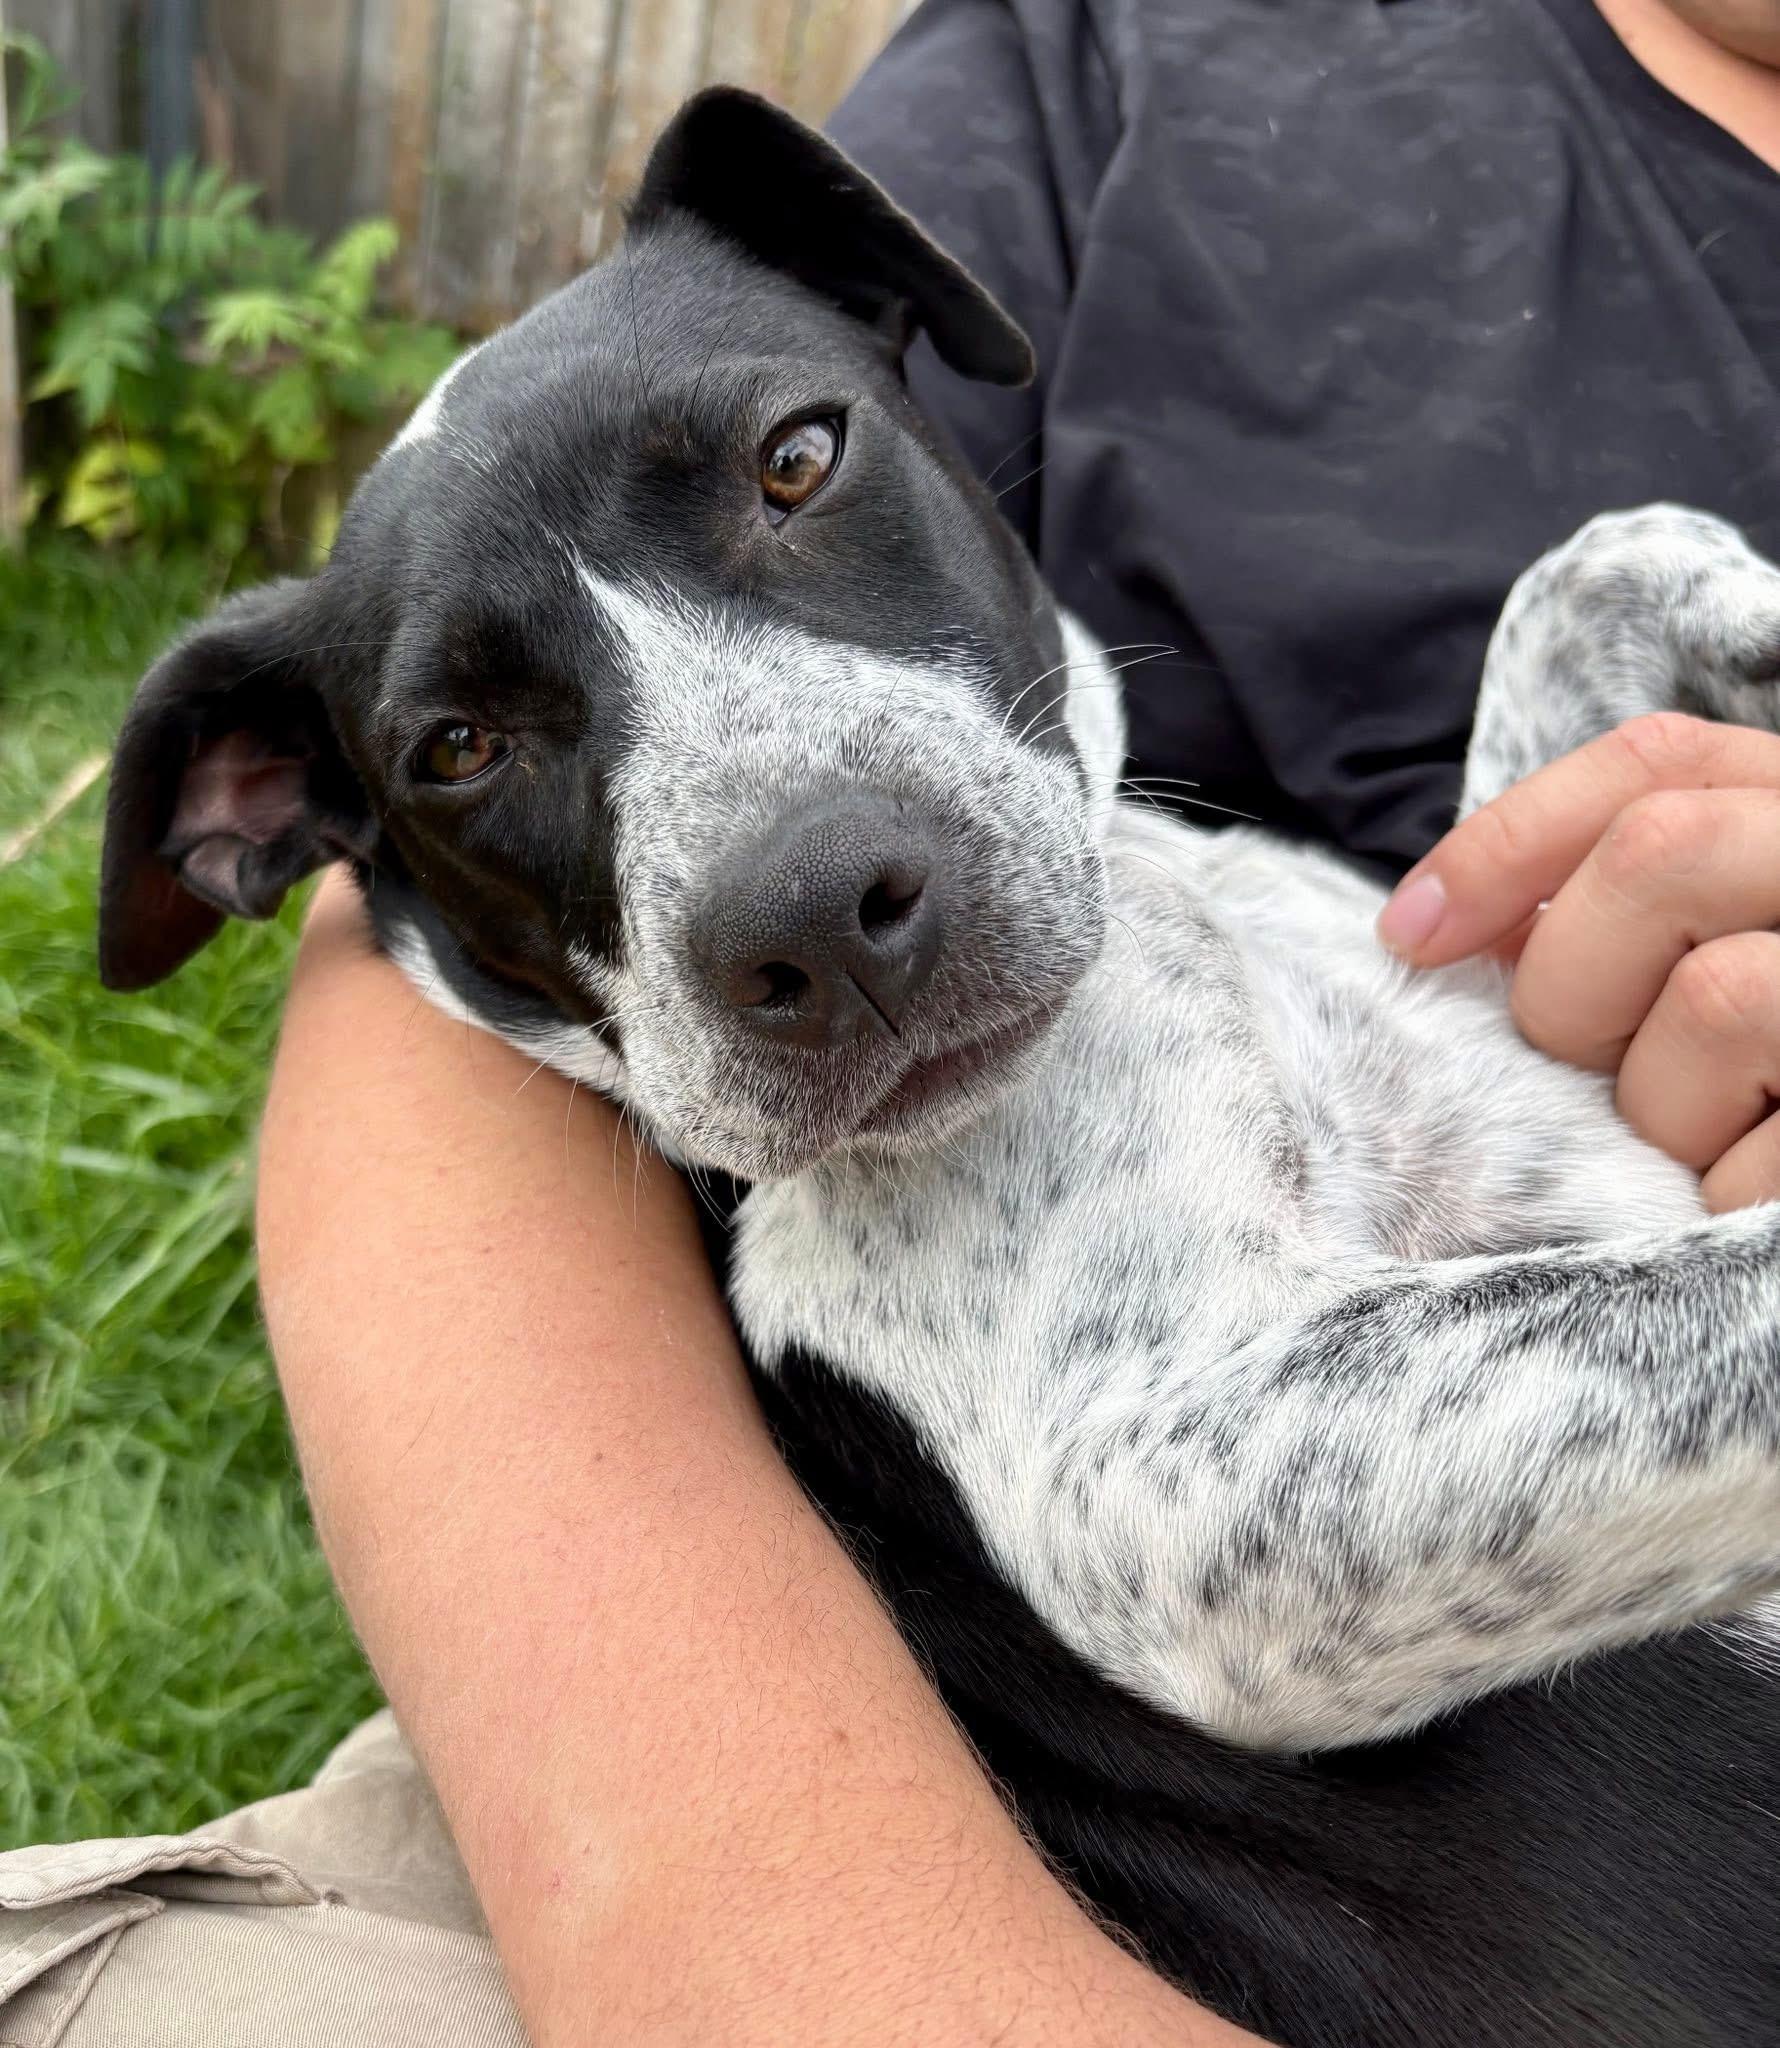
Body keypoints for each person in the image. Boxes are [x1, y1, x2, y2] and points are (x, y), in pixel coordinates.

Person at [4, 1, 1778, 2042]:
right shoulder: (1112, 66)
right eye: (475, 740)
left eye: (788, 470)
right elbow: (1227, 1534)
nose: (790, 873)